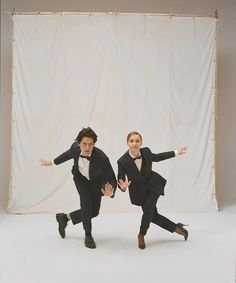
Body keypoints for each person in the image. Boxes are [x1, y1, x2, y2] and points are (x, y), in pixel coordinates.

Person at [40, 127, 116, 249]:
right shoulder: (75, 149)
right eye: (84, 144)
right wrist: (52, 162)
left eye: (90, 144)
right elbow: (66, 155)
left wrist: (110, 192)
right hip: (80, 179)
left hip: (96, 183)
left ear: (94, 144)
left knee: (94, 212)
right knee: (86, 202)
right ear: (79, 143)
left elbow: (111, 177)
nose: (87, 148)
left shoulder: (102, 158)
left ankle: (64, 217)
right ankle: (88, 234)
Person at [117, 131, 188, 249]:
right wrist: (122, 187)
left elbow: (159, 157)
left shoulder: (146, 152)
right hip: (139, 192)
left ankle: (141, 234)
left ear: (141, 143)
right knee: (152, 216)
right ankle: (177, 228)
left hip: (153, 186)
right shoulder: (122, 161)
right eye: (132, 141)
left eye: (137, 141)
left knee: (148, 211)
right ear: (127, 143)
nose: (134, 143)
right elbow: (120, 178)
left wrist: (176, 152)